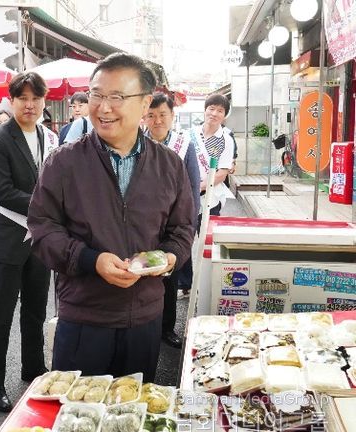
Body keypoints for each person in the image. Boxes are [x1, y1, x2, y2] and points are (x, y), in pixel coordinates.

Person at [28, 53, 195, 381]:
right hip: (83, 317)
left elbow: (183, 228)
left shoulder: (169, 165)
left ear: (145, 103)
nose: (103, 108)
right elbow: (41, 230)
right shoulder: (63, 163)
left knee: (135, 408)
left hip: (144, 317)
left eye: (117, 97)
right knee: (76, 410)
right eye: (97, 95)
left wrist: (167, 257)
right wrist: (92, 260)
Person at [0, 72, 51, 412]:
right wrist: (50, 206)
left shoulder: (47, 136)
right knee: (0, 314)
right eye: (22, 98)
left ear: (43, 101)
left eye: (36, 98)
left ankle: (33, 369)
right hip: (7, 238)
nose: (29, 104)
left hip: (38, 241)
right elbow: (2, 192)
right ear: (11, 101)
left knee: (36, 310)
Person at [143, 92, 201, 349]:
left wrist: (190, 224)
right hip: (143, 223)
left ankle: (167, 328)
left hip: (173, 223)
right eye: (151, 115)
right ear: (144, 117)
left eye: (162, 115)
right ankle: (145, 326)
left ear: (172, 116)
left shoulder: (184, 145)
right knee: (144, 272)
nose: (157, 121)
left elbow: (193, 186)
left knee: (170, 276)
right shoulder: (135, 142)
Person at [178, 94, 236, 296]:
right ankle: (185, 284)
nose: (214, 113)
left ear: (224, 115)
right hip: (185, 198)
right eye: (211, 108)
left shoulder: (226, 140)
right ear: (204, 110)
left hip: (211, 198)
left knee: (208, 242)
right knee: (183, 239)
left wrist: (197, 187)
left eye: (220, 110)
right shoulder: (188, 134)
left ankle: (207, 285)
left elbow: (222, 173)